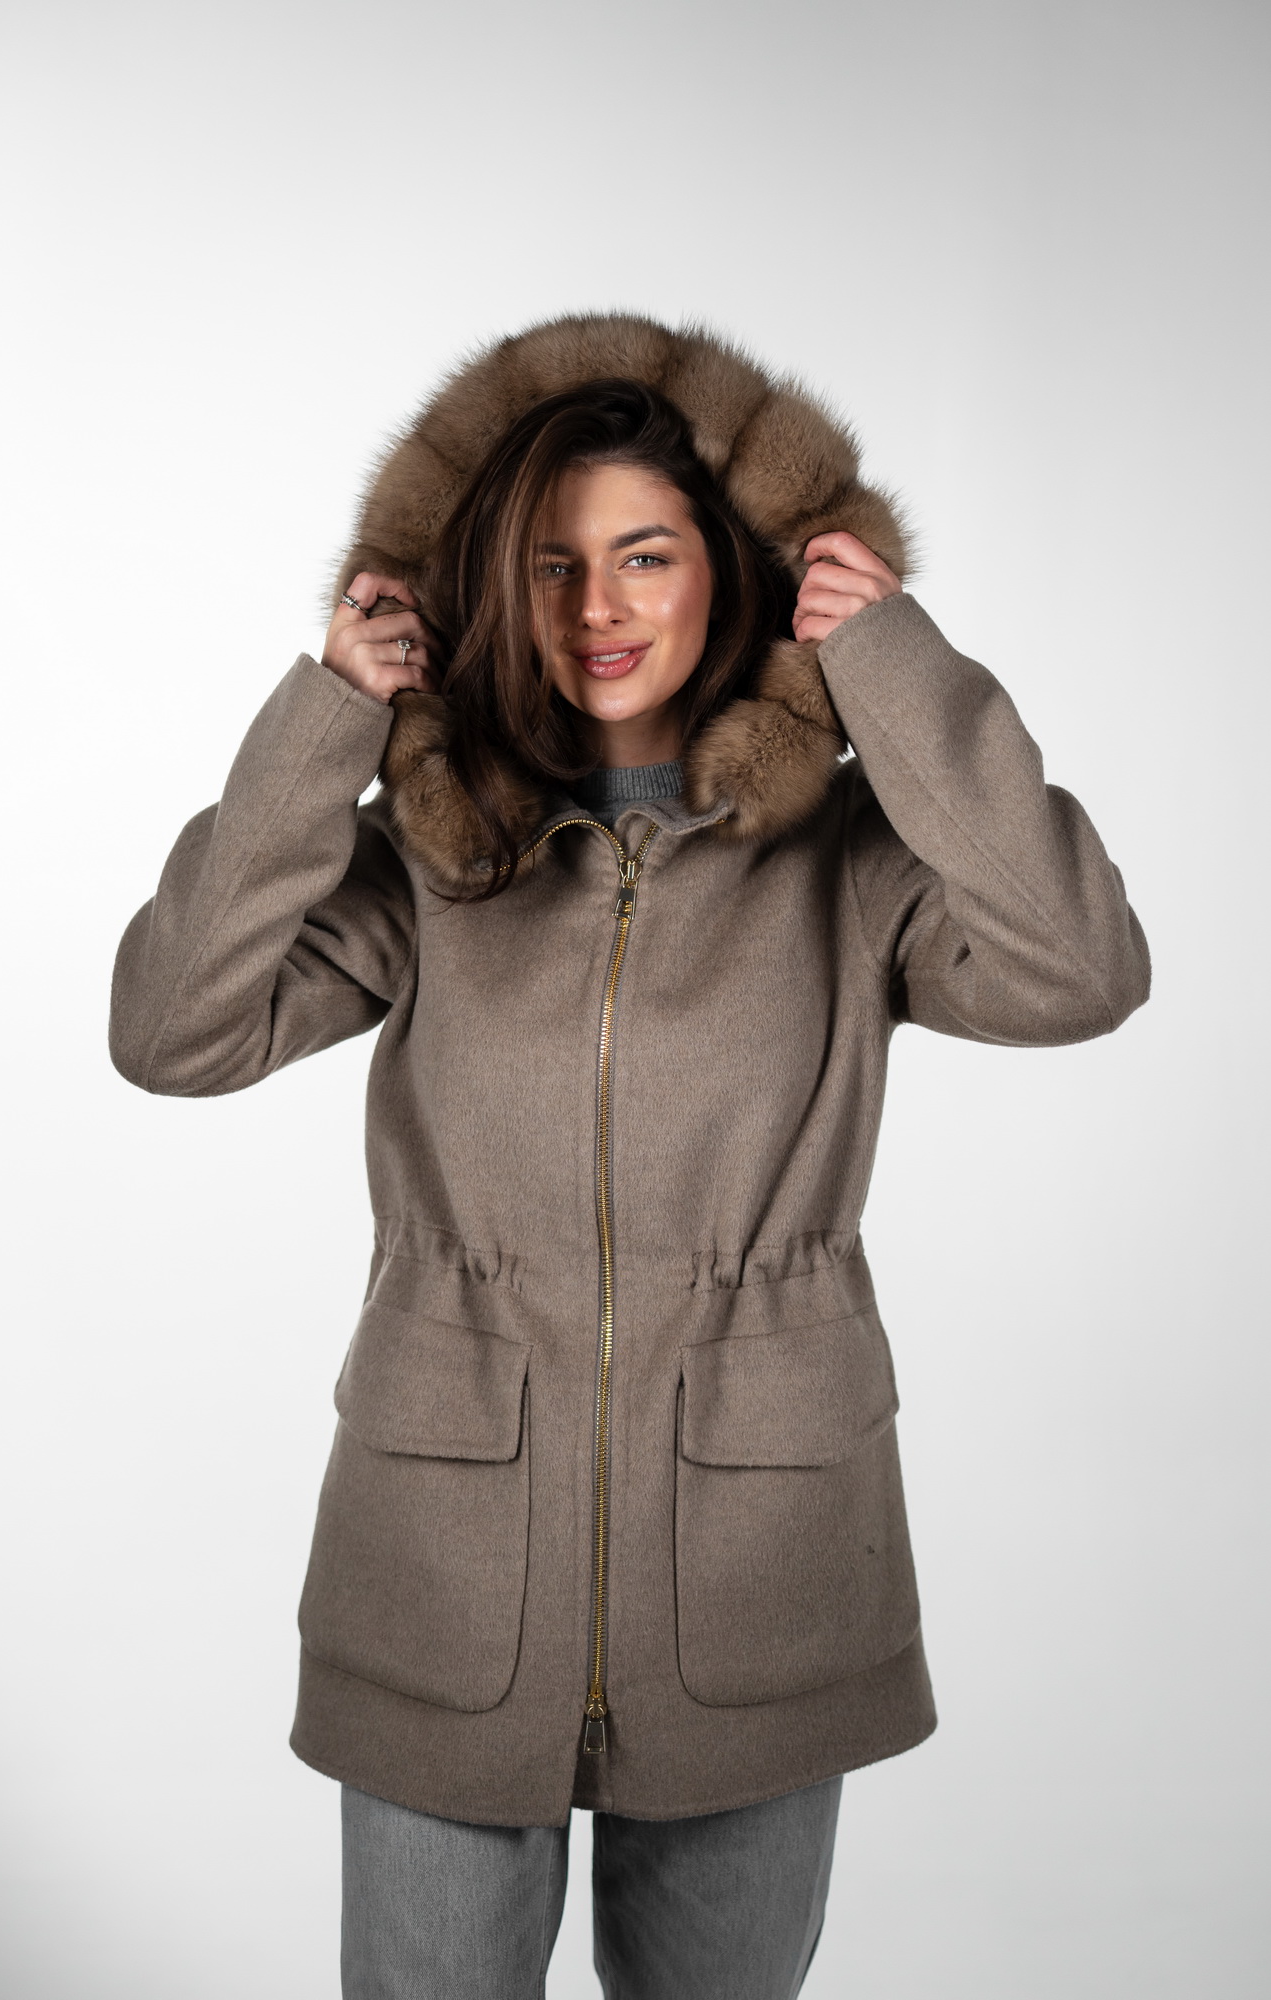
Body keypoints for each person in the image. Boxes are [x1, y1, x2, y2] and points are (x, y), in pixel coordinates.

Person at [110, 313, 1150, 1999]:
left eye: (644, 555)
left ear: (730, 570)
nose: (596, 606)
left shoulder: (849, 863)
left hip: (762, 1564)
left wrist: (894, 667)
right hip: (441, 1561)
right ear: (485, 589)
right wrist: (327, 724)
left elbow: (1080, 969)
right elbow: (171, 1030)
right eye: (550, 564)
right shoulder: (428, 861)